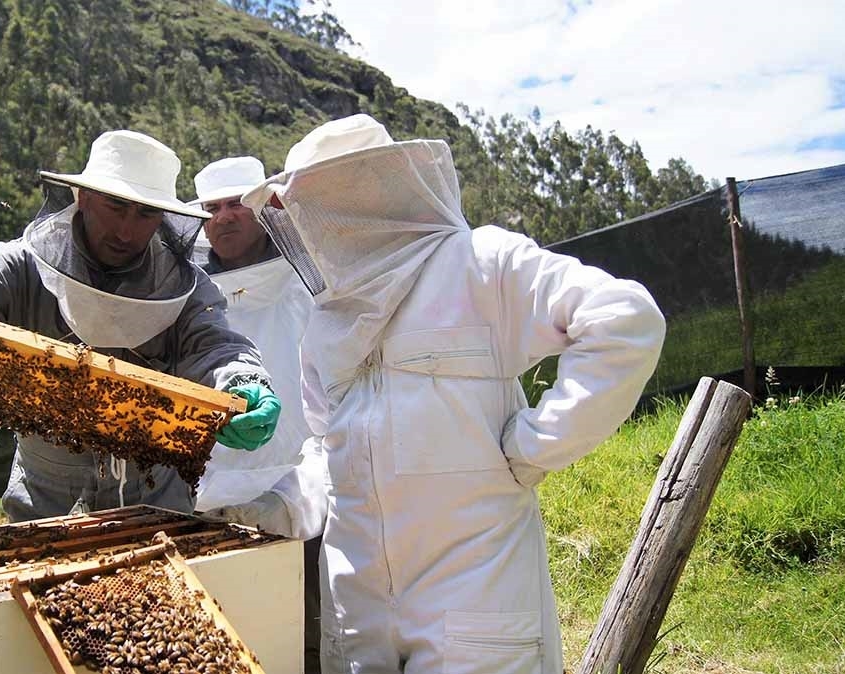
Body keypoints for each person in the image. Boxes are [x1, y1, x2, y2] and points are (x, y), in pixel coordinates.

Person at [241, 114, 666, 674]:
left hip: (473, 600)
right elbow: (328, 442)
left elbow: (623, 320)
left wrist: (537, 446)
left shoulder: (480, 265)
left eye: (308, 207)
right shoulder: (325, 319)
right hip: (358, 604)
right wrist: (277, 504)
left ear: (357, 197)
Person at [0, 129, 281, 522]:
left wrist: (241, 380)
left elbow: (216, 346)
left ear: (162, 219)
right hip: (46, 496)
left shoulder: (188, 288)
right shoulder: (21, 265)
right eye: (115, 207)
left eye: (144, 214)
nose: (126, 230)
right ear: (83, 197)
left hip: (158, 500)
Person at [189, 156, 327, 674]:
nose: (224, 217)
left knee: (311, 620)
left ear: (266, 206)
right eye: (213, 208)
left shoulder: (310, 272)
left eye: (236, 204)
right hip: (213, 489)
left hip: (303, 480)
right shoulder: (190, 291)